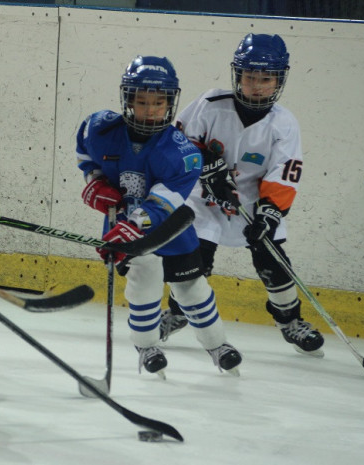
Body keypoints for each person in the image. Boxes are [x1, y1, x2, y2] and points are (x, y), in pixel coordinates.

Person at [76, 56, 242, 376]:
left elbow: (162, 204)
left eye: (159, 102)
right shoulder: (99, 128)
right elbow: (85, 154)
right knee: (145, 278)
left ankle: (217, 344)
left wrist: (130, 228)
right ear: (128, 100)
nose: (150, 109)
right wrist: (93, 181)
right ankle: (146, 344)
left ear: (170, 103)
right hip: (121, 224)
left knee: (193, 289)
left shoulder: (183, 153)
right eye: (141, 101)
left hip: (170, 229)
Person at [173, 33, 325, 357]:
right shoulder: (210, 104)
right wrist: (206, 164)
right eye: (249, 75)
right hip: (205, 198)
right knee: (194, 257)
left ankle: (289, 321)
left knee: (274, 261)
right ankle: (177, 311)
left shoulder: (283, 123)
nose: (256, 84)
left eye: (265, 78)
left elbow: (285, 171)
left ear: (279, 79)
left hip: (256, 202)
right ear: (237, 74)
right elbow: (177, 142)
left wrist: (270, 212)